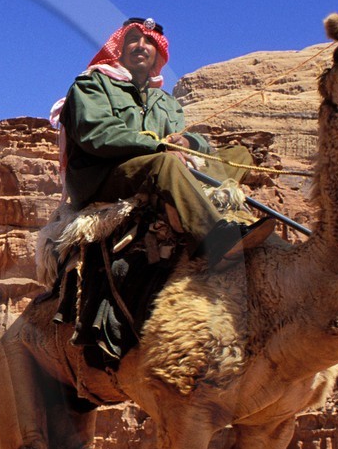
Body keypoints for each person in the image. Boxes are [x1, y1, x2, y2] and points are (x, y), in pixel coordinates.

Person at [56, 17, 272, 264]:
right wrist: (159, 146)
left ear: (157, 53)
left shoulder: (166, 101)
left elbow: (182, 138)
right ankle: (215, 238)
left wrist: (187, 142)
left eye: (149, 41)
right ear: (119, 48)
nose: (141, 46)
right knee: (164, 163)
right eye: (133, 40)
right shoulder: (92, 84)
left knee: (237, 155)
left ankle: (190, 201)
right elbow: (97, 134)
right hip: (104, 174)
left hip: (160, 161)